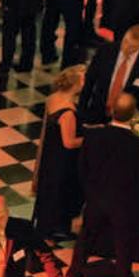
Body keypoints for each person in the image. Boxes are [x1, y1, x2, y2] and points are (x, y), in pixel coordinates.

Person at [68, 93, 139, 277]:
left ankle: (73, 275)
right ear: (133, 115)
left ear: (111, 111)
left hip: (96, 198)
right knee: (124, 243)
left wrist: (90, 192)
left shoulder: (93, 136)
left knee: (86, 238)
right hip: (124, 203)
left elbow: (82, 168)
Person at [31, 67, 85, 240]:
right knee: (60, 192)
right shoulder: (68, 112)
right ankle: (56, 229)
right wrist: (91, 138)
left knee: (49, 190)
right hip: (63, 160)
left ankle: (45, 226)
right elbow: (69, 142)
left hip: (50, 154)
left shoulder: (53, 98)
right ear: (76, 85)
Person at [78, 24, 139, 125]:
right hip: (97, 111)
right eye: (125, 42)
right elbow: (89, 81)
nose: (126, 48)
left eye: (132, 47)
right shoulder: (106, 50)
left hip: (127, 119)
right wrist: (81, 110)